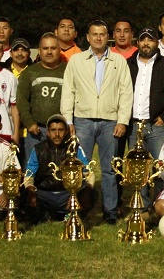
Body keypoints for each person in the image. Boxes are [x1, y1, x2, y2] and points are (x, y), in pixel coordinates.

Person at [60, 19, 133, 224]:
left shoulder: (119, 61)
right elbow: (68, 91)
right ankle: (79, 208)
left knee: (110, 169)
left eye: (102, 34)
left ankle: (110, 210)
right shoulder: (76, 61)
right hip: (82, 120)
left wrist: (123, 120)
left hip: (110, 121)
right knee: (80, 168)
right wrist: (68, 119)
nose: (98, 38)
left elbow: (126, 92)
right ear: (88, 37)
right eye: (94, 34)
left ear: (107, 36)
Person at [126, 27, 164, 208]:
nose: (146, 43)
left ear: (157, 43)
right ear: (137, 43)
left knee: (160, 169)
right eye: (143, 40)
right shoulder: (128, 64)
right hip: (134, 126)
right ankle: (140, 207)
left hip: (157, 125)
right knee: (137, 170)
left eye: (150, 40)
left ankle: (159, 204)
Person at [25, 114, 96, 221]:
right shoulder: (38, 150)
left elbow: (88, 173)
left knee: (92, 194)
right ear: (48, 132)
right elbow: (29, 175)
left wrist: (87, 189)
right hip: (45, 194)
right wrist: (30, 190)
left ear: (66, 131)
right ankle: (43, 216)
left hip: (67, 194)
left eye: (60, 130)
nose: (57, 134)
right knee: (23, 194)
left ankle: (73, 215)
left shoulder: (75, 149)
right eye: (53, 130)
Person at [18, 33, 67, 171]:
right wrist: (29, 122)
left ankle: (59, 193)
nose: (49, 52)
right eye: (45, 48)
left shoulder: (68, 70)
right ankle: (32, 193)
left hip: (61, 131)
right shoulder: (30, 73)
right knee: (33, 168)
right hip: (36, 130)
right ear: (39, 51)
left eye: (53, 48)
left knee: (61, 168)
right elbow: (21, 100)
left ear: (59, 50)